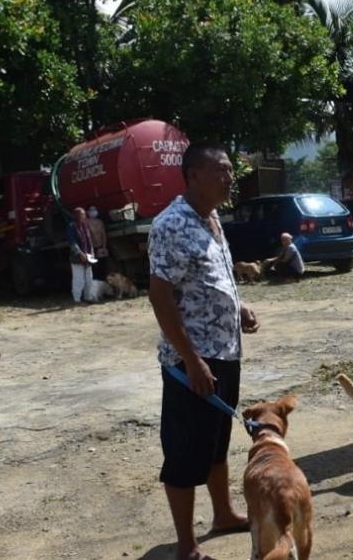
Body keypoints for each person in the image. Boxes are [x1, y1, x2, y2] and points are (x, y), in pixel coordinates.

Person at [148, 141, 259, 560]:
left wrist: (240, 307)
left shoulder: (211, 217)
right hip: (192, 360)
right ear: (193, 175)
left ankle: (223, 514)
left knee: (216, 441)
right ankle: (186, 546)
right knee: (184, 452)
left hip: (225, 351)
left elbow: (214, 276)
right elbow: (160, 296)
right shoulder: (172, 223)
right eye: (221, 170)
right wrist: (191, 359)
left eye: (231, 170)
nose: (229, 177)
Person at [67, 207, 95, 303]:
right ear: (77, 216)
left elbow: (89, 241)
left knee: (89, 279)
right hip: (77, 257)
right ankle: (77, 300)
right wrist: (80, 253)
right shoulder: (71, 226)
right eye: (82, 214)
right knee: (78, 280)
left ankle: (88, 297)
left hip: (87, 256)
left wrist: (91, 253)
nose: (84, 216)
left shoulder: (85, 226)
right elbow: (72, 243)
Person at [86, 206, 109, 279]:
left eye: (94, 210)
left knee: (103, 266)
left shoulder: (100, 222)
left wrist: (104, 247)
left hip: (101, 247)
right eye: (91, 210)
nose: (93, 212)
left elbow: (103, 234)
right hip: (92, 248)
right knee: (94, 268)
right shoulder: (86, 222)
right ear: (88, 212)